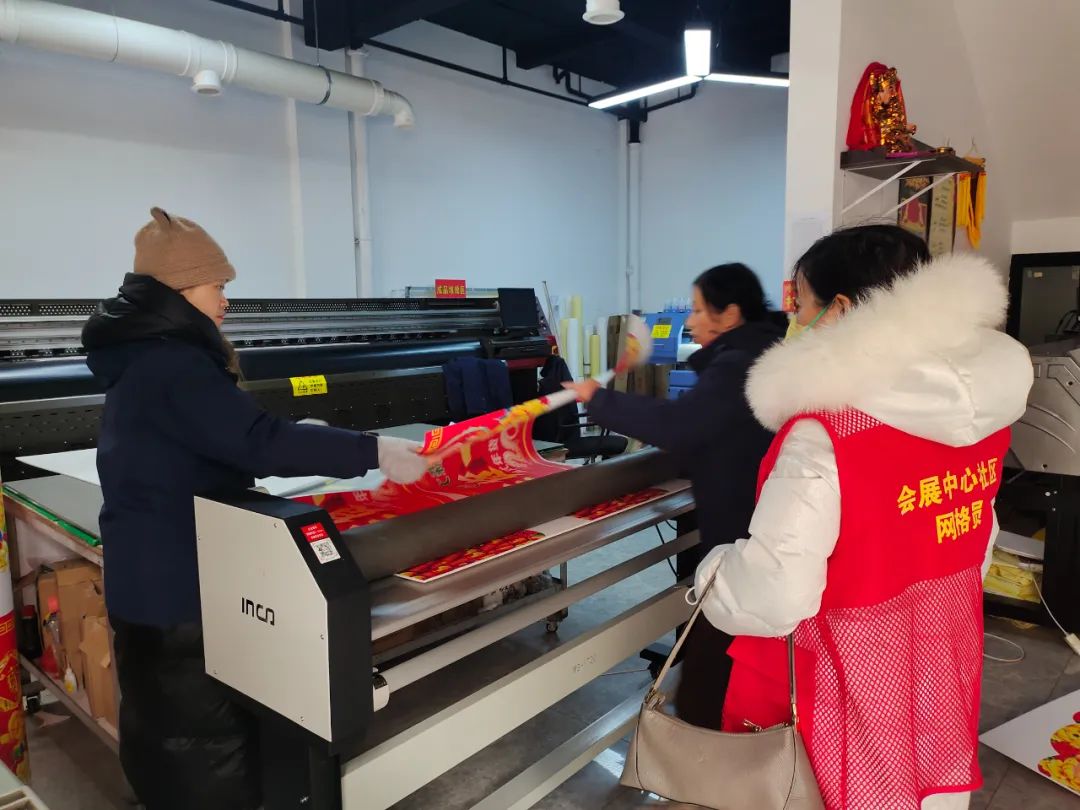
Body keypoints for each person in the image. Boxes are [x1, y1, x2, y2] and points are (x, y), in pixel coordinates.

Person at [81, 208, 429, 810]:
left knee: (168, 739)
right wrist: (372, 451)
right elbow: (257, 442)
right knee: (201, 753)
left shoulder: (143, 357)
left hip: (151, 583)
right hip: (179, 595)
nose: (225, 300)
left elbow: (220, 439)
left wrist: (299, 438)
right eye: (218, 286)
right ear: (180, 289)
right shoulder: (172, 364)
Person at [692, 225, 1033, 810]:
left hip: (840, 677)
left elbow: (773, 595)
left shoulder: (828, 431)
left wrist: (715, 572)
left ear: (843, 309)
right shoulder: (985, 417)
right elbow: (976, 538)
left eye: (803, 305)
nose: (795, 321)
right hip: (938, 655)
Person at [564, 263, 784, 728]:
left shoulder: (737, 365)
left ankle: (700, 748)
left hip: (739, 535)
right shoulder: (767, 351)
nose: (690, 320)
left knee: (713, 655)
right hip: (757, 521)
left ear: (729, 315)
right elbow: (721, 430)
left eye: (699, 309)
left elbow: (679, 425)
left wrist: (596, 398)